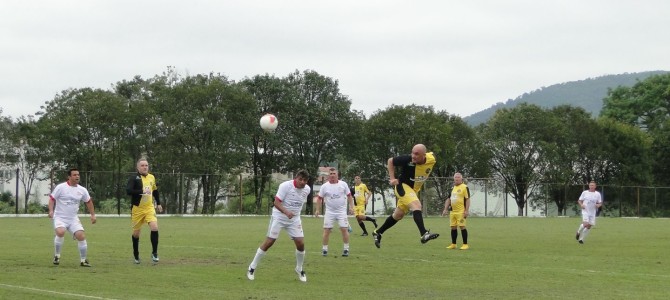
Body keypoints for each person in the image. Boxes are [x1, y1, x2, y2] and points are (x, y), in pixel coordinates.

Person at [247, 169, 311, 282]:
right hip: (279, 217)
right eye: (300, 179)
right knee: (269, 242)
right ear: (296, 178)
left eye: (305, 180)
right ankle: (252, 267)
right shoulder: (285, 186)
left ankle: (299, 269)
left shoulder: (307, 189)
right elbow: (276, 203)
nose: (302, 182)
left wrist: (293, 214)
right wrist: (286, 212)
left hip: (294, 220)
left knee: (301, 243)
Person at [373, 144, 439, 248]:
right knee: (417, 206)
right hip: (402, 186)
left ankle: (378, 232)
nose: (413, 156)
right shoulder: (407, 159)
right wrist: (392, 178)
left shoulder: (431, 158)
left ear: (423, 155)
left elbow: (433, 155)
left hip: (413, 190)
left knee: (398, 215)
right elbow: (390, 161)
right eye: (412, 153)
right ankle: (424, 234)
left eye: (416, 154)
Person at [48, 168, 96, 267]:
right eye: (74, 175)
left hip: (73, 218)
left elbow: (88, 202)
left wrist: (92, 215)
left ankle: (83, 260)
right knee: (61, 232)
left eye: (78, 175)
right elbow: (52, 199)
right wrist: (51, 210)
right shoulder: (61, 187)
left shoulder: (82, 190)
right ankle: (57, 255)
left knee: (81, 236)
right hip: (60, 217)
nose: (77, 176)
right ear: (69, 177)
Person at [126, 158, 163, 264]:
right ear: (138, 167)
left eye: (146, 165)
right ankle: (136, 254)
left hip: (149, 208)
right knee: (136, 233)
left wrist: (159, 203)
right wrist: (141, 191)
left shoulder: (152, 177)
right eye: (142, 165)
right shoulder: (134, 178)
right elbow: (128, 191)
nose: (145, 167)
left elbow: (155, 191)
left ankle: (154, 253)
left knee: (154, 227)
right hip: (137, 209)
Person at [314, 168, 355, 257]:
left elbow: (349, 196)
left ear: (337, 175)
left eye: (334, 173)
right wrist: (317, 210)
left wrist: (352, 207)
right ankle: (324, 249)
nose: (332, 175)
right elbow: (319, 198)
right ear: (329, 175)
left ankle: (346, 249)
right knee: (326, 230)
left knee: (344, 229)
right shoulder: (324, 186)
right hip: (329, 212)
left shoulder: (343, 184)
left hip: (341, 212)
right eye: (331, 173)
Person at [441, 172, 471, 250]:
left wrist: (467, 210)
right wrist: (445, 209)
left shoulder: (465, 187)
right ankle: (453, 244)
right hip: (452, 211)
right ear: (453, 178)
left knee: (462, 226)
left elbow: (467, 199)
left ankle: (465, 244)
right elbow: (448, 199)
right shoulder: (452, 188)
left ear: (461, 178)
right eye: (455, 177)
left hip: (461, 211)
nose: (457, 178)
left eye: (458, 177)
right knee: (453, 227)